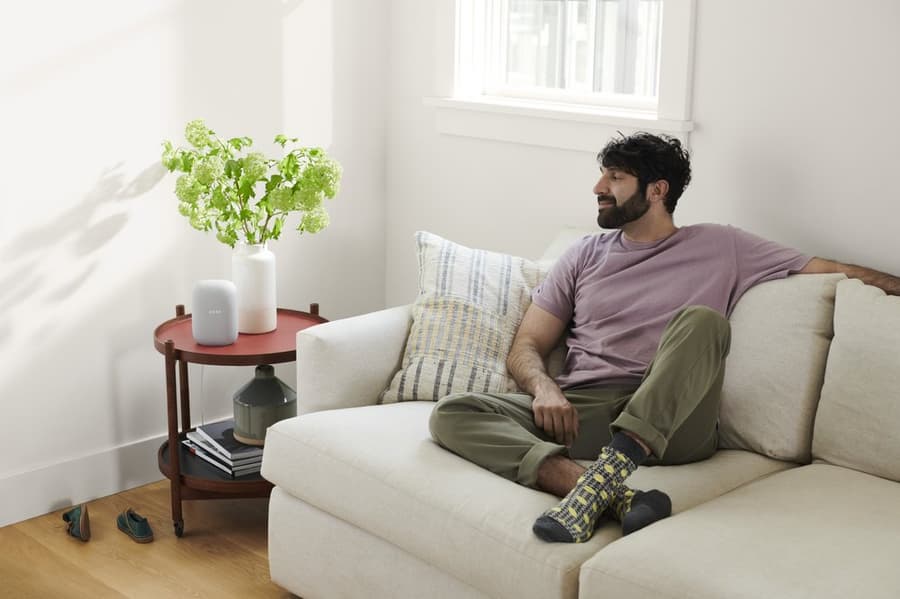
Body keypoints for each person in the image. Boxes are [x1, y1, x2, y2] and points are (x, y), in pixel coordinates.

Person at [428, 132, 900, 544]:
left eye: (615, 177)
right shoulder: (584, 254)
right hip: (586, 409)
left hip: (678, 423)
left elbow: (836, 269)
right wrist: (544, 388)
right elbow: (527, 344)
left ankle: (605, 477)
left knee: (703, 321)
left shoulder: (723, 245)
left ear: (657, 190)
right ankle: (611, 494)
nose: (598, 188)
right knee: (453, 413)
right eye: (602, 175)